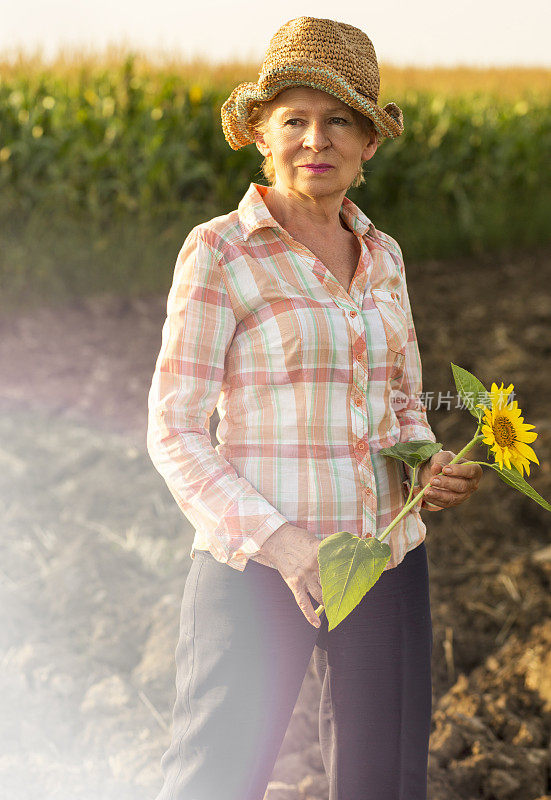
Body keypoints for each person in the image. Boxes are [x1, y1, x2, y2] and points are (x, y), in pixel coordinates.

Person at [146, 16, 482, 800]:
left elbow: (399, 401)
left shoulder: (384, 256)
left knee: (383, 782)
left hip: (385, 560)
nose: (314, 139)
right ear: (262, 136)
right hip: (258, 565)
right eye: (293, 119)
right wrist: (287, 545)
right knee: (216, 779)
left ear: (369, 143)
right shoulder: (220, 251)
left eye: (338, 120)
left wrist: (423, 462)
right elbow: (175, 429)